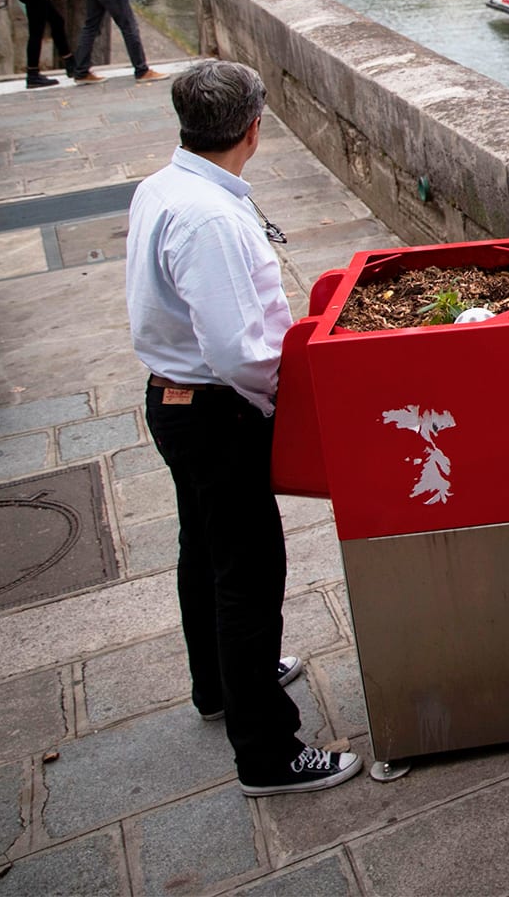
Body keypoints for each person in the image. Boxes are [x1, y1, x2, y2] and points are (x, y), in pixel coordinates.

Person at [127, 60, 360, 798]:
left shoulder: (163, 187)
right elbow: (238, 351)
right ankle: (267, 752)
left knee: (204, 553)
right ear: (254, 128)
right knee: (249, 577)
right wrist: (282, 404)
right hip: (218, 412)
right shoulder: (211, 218)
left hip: (174, 401)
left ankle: (219, 685)